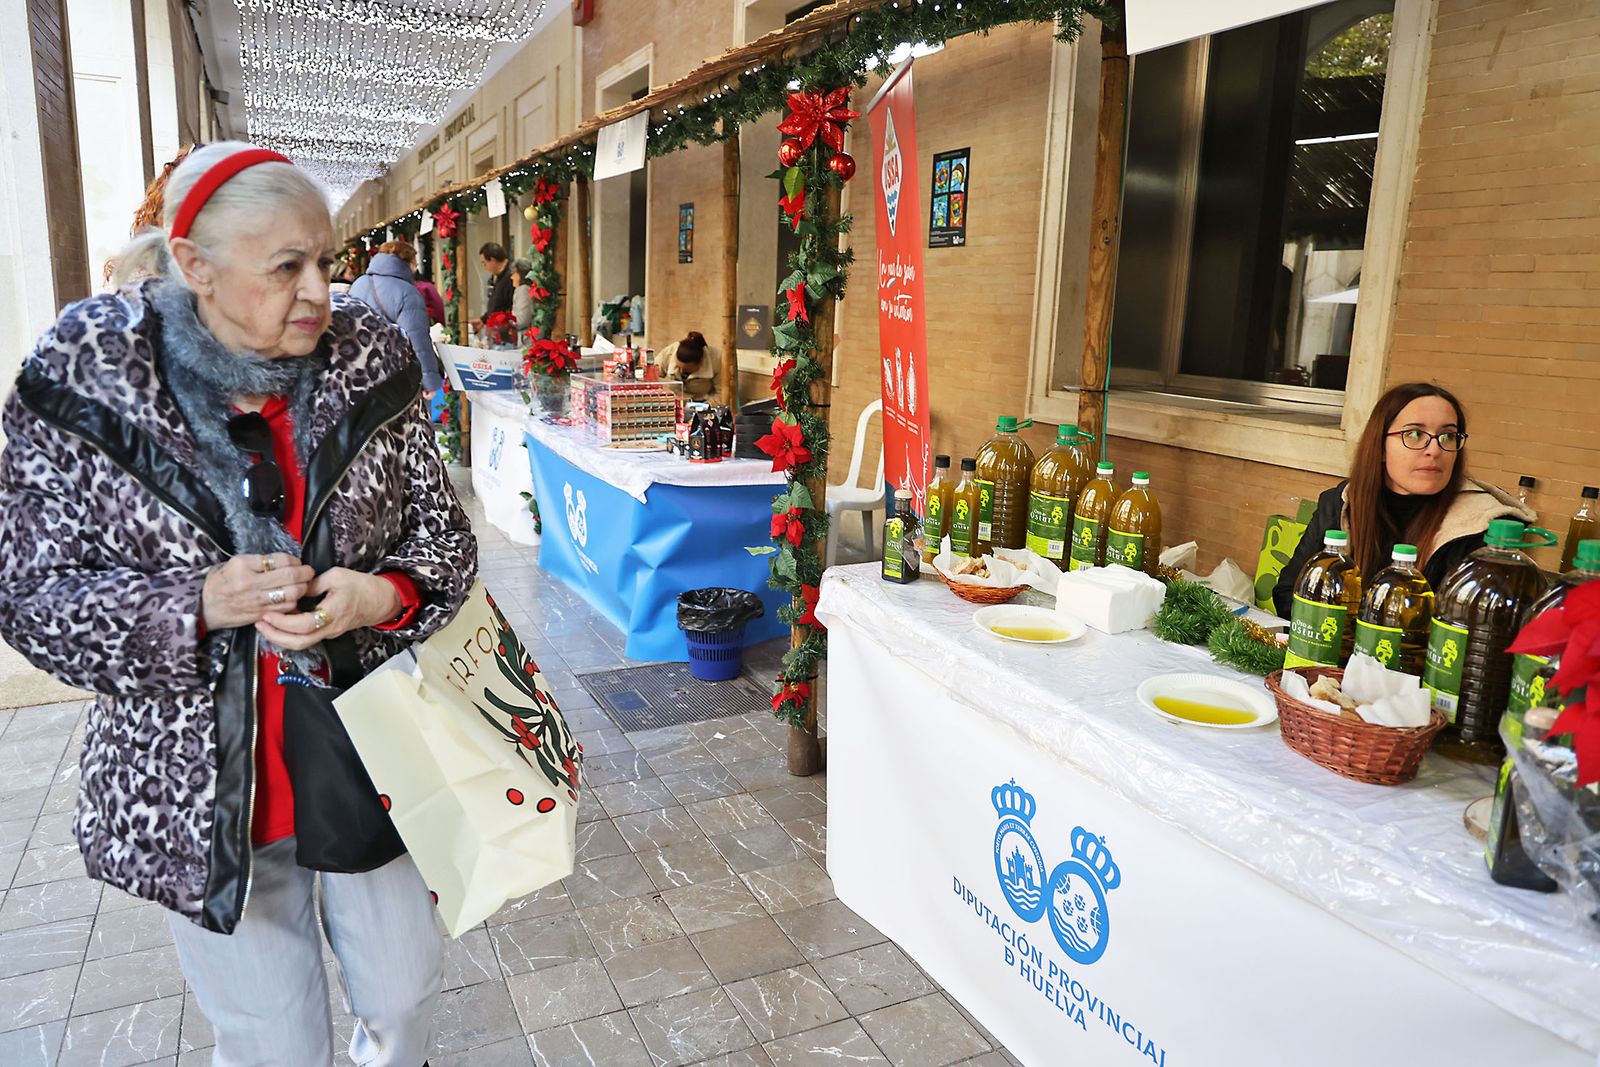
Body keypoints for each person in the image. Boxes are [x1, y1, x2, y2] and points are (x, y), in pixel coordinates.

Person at [0, 141, 477, 1065]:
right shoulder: (87, 382)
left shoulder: (368, 356)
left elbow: (445, 541)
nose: (317, 293)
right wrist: (198, 603)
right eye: (286, 267)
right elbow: (29, 596)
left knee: (407, 998)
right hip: (202, 787)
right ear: (195, 266)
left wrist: (380, 593)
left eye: (325, 262)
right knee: (272, 1043)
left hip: (369, 750)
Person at [1272, 382, 1532, 617]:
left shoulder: (1480, 525)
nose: (1434, 450)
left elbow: (1466, 630)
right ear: (1380, 447)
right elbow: (1287, 594)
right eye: (1415, 434)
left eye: (1448, 436)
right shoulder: (1341, 502)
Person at [351, 239, 444, 395]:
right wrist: (429, 382)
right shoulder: (408, 292)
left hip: (358, 373)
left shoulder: (358, 284)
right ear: (408, 264)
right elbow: (418, 341)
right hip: (394, 378)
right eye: (415, 264)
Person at [656, 330, 720, 400]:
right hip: (672, 401)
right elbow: (649, 376)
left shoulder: (716, 359)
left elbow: (723, 393)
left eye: (687, 369)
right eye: (678, 367)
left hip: (704, 404)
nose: (682, 371)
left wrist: (704, 408)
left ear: (701, 362)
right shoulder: (669, 353)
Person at [476, 241, 513, 328]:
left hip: (505, 330)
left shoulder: (511, 277)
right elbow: (497, 303)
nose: (485, 267)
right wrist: (484, 319)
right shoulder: (499, 276)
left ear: (492, 260)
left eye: (484, 263)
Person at [510, 258, 535, 332]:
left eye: (513, 273)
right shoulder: (526, 289)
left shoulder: (523, 290)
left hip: (526, 339)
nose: (511, 277)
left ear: (520, 274)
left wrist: (507, 322)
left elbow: (522, 320)